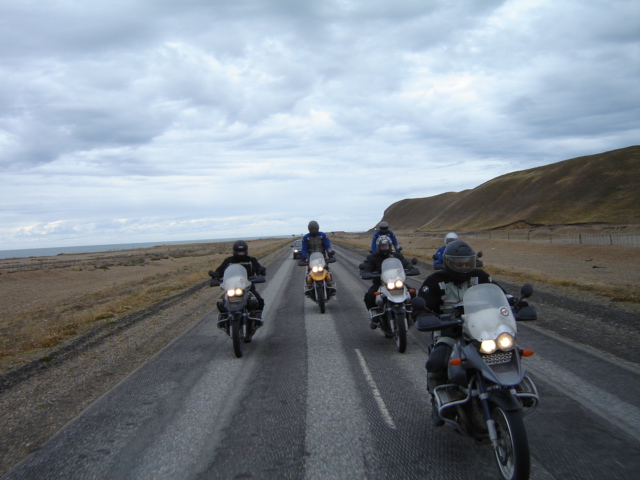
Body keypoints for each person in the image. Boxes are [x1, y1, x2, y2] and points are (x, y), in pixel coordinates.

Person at [413, 240, 503, 426]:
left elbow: (500, 294)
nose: (463, 266)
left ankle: (511, 388)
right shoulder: (435, 281)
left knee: (507, 351)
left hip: (483, 331)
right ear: (448, 262)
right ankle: (436, 401)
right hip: (450, 331)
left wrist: (515, 303)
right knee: (436, 362)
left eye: (467, 262)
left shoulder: (480, 276)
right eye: (458, 263)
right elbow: (423, 303)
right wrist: (423, 314)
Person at [361, 236, 414, 329]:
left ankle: (413, 314)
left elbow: (406, 264)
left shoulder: (397, 256)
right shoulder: (372, 257)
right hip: (380, 284)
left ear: (390, 246)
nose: (384, 248)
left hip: (397, 283)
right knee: (369, 296)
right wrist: (366, 272)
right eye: (382, 246)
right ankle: (375, 318)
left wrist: (411, 268)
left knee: (412, 292)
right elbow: (367, 267)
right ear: (378, 247)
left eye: (386, 246)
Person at [212, 240, 266, 329]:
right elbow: (220, 270)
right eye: (238, 251)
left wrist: (261, 271)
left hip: (247, 288)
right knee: (221, 302)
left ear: (246, 251)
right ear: (234, 251)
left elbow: (258, 268)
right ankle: (224, 318)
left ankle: (256, 320)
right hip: (231, 288)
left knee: (259, 301)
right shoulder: (229, 261)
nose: (240, 253)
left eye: (242, 251)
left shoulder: (251, 260)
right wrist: (216, 275)